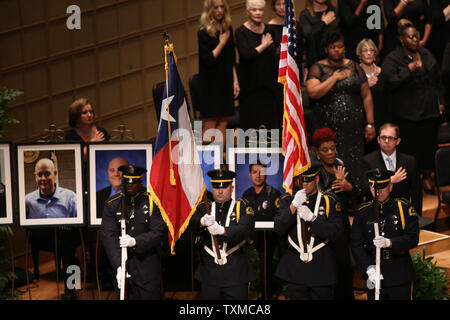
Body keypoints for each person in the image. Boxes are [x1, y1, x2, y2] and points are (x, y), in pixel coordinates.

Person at [306, 30, 376, 191]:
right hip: (329, 129)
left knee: (355, 163)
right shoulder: (318, 68)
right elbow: (313, 92)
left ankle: (358, 198)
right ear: (326, 49)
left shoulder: (354, 66)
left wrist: (370, 123)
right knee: (333, 163)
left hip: (354, 128)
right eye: (333, 47)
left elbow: (367, 96)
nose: (337, 50)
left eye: (340, 46)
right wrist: (334, 78)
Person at [381, 20, 442, 193]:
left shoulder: (426, 54)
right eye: (411, 37)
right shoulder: (393, 58)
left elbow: (438, 80)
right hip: (407, 115)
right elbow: (389, 82)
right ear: (402, 39)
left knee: (429, 148)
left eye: (417, 36)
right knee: (411, 153)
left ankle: (428, 178)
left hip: (429, 112)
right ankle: (412, 183)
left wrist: (441, 102)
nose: (416, 39)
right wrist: (408, 70)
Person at [274, 163, 343, 300]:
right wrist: (293, 206)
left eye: (308, 180)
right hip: (296, 268)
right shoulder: (287, 200)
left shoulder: (329, 201)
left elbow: (336, 233)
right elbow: (279, 228)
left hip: (321, 267)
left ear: (316, 180)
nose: (304, 184)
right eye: (301, 180)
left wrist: (313, 219)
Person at [351, 168, 419, 300]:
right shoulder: (362, 212)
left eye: (382, 187)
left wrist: (390, 242)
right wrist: (369, 269)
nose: (378, 191)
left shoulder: (403, 207)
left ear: (390, 186)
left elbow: (413, 238)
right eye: (374, 187)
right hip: (373, 273)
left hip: (399, 273)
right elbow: (356, 244)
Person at [101, 165, 167, 300]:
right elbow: (109, 236)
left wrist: (136, 241)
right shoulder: (113, 204)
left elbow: (159, 232)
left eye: (134, 183)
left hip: (147, 265)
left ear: (141, 182)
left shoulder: (152, 202)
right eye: (127, 183)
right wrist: (118, 265)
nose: (130, 186)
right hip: (123, 264)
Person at [189, 166, 255, 300]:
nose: (219, 191)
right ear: (212, 188)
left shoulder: (242, 206)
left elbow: (245, 228)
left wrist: (222, 231)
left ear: (232, 188)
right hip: (209, 273)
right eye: (216, 187)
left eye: (224, 187)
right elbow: (189, 223)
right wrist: (201, 221)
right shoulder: (204, 207)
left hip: (235, 273)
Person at [311, 128, 356, 300]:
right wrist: (337, 187)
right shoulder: (314, 170)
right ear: (316, 151)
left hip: (342, 225)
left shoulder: (340, 163)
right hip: (324, 228)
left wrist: (348, 186)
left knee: (345, 269)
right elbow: (318, 199)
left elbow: (357, 192)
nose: (330, 153)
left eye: (332, 148)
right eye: (325, 150)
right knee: (330, 271)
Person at [235, 0, 282, 130]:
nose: (258, 13)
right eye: (254, 10)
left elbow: (274, 54)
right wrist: (264, 45)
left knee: (270, 126)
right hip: (250, 87)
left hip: (269, 87)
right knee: (252, 127)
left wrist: (279, 47)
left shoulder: (269, 29)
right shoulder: (240, 32)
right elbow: (246, 55)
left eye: (260, 10)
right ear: (247, 12)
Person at [198, 0, 240, 144]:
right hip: (210, 83)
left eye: (222, 7)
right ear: (210, 10)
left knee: (223, 121)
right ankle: (205, 160)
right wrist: (221, 43)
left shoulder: (228, 28)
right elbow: (208, 59)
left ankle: (218, 161)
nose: (220, 10)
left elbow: (231, 58)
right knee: (211, 122)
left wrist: (235, 81)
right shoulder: (203, 31)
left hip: (226, 80)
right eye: (216, 7)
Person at [362, 123, 422, 216]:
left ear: (397, 141)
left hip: (403, 213)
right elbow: (365, 189)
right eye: (383, 137)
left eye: (390, 138)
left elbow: (416, 192)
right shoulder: (368, 160)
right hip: (377, 213)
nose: (386, 141)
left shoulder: (409, 161)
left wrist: (416, 216)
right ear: (378, 139)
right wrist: (390, 181)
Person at [242, 160, 282, 299]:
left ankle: (267, 295)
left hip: (270, 240)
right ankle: (254, 293)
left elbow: (279, 219)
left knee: (268, 269)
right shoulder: (246, 195)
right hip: (251, 239)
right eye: (254, 172)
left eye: (262, 172)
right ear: (249, 175)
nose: (258, 175)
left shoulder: (274, 194)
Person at [356, 38, 390, 153]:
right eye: (365, 50)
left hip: (381, 119)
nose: (369, 53)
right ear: (359, 54)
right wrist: (366, 86)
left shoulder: (383, 73)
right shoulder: (355, 73)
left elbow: (388, 100)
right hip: (361, 122)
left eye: (371, 50)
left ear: (375, 54)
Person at [297, 0, 341, 73]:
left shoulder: (334, 11)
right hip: (315, 59)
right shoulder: (305, 15)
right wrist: (323, 23)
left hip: (335, 57)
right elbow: (309, 36)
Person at [266, 0, 286, 130]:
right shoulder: (268, 28)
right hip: (276, 75)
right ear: (273, 7)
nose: (282, 7)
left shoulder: (295, 25)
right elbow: (273, 53)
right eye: (278, 4)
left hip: (293, 74)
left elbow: (301, 51)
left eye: (284, 4)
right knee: (279, 112)